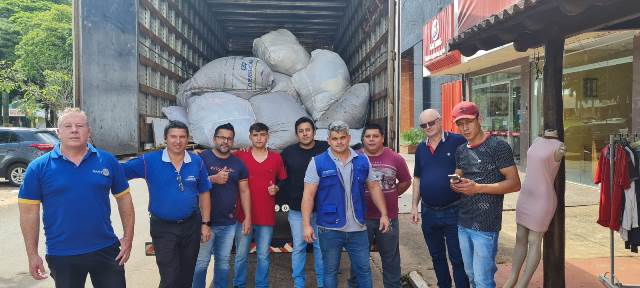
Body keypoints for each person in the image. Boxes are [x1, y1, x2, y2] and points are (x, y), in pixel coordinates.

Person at [18, 107, 134, 288]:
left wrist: (128, 238)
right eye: (68, 126)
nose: (74, 130)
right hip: (62, 253)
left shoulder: (107, 161)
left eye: (80, 125)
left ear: (89, 131)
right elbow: (28, 214)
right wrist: (32, 254)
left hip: (106, 249)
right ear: (58, 132)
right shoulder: (38, 168)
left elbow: (124, 199)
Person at [122, 120, 212, 288]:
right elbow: (119, 172)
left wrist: (206, 223)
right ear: (165, 139)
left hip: (191, 226)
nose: (178, 141)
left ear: (188, 139)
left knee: (187, 275)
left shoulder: (196, 162)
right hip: (163, 228)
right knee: (169, 276)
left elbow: (205, 192)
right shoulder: (149, 160)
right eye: (173, 137)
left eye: (182, 137)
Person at [301, 121, 390, 288]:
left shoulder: (362, 160)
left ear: (349, 138)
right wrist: (306, 224)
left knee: (363, 270)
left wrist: (384, 214)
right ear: (328, 140)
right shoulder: (317, 162)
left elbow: (374, 187)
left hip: (358, 228)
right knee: (330, 271)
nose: (339, 142)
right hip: (330, 228)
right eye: (335, 138)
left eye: (342, 138)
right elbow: (308, 195)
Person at [450, 101, 521, 288]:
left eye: (468, 122)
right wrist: (455, 182)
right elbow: (459, 172)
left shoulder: (498, 146)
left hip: (486, 224)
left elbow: (514, 183)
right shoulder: (461, 150)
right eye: (460, 124)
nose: (464, 128)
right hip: (463, 221)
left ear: (479, 119)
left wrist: (478, 188)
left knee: (483, 280)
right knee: (471, 275)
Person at [410, 109, 469, 288]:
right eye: (423, 125)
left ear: (440, 121)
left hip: (454, 210)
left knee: (457, 257)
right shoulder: (421, 148)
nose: (428, 127)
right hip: (428, 212)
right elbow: (418, 178)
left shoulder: (458, 141)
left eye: (431, 123)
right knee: (436, 257)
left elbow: (469, 166)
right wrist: (414, 206)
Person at [348, 123, 412, 288]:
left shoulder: (395, 158)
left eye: (375, 136)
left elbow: (406, 181)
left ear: (382, 138)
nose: (371, 140)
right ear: (363, 139)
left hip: (388, 217)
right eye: (368, 136)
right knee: (359, 260)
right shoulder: (354, 157)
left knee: (390, 259)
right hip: (361, 218)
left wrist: (391, 194)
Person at [192, 123, 252, 288]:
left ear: (233, 141)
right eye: (222, 138)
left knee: (223, 264)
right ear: (214, 139)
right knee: (201, 263)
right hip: (205, 223)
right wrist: (212, 179)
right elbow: (191, 183)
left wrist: (248, 217)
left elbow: (245, 191)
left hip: (228, 224)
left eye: (229, 138)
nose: (225, 141)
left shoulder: (238, 164)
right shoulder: (202, 158)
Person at [503, 129, 565, 288]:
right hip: (526, 195)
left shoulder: (559, 147)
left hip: (543, 198)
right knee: (520, 236)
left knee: (534, 240)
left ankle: (523, 283)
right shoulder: (537, 140)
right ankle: (513, 278)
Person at [233, 122, 287, 288]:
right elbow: (221, 156)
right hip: (243, 217)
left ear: (267, 136)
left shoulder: (276, 158)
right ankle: (239, 284)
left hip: (266, 218)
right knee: (241, 255)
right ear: (250, 137)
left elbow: (283, 180)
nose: (259, 138)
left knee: (263, 255)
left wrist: (277, 187)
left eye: (262, 134)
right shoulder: (240, 156)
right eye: (255, 135)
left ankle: (261, 285)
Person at [280, 117, 328, 288]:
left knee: (320, 249)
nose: (305, 133)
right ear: (296, 134)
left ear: (314, 131)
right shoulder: (288, 153)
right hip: (297, 210)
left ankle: (323, 282)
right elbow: (280, 176)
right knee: (299, 247)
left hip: (322, 210)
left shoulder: (326, 148)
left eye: (308, 130)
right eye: (301, 131)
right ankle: (298, 282)